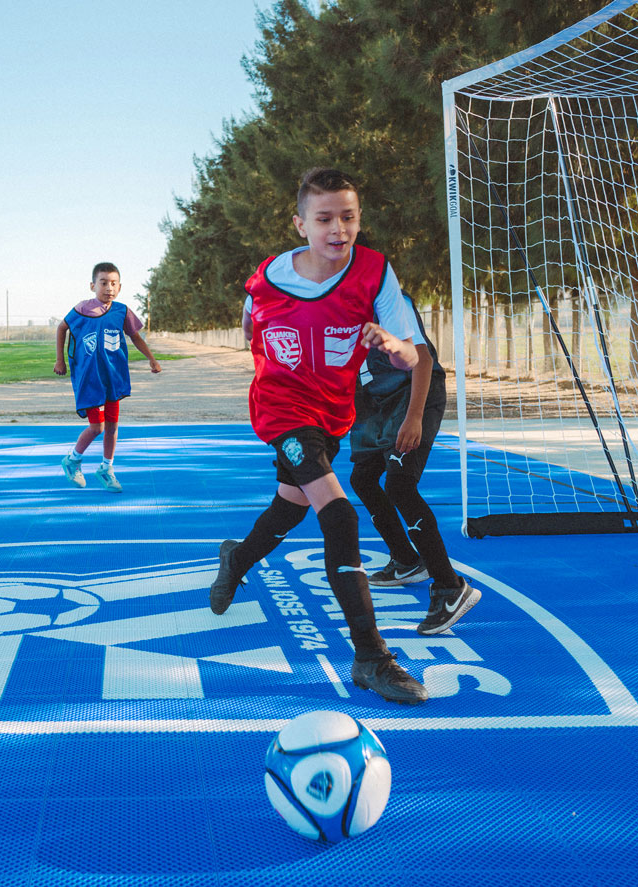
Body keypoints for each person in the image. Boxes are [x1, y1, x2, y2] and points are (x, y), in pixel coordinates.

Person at [210, 167, 430, 705]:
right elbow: (248, 324)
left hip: (332, 415)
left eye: (348, 217)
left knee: (289, 508)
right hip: (281, 410)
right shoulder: (267, 277)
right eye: (325, 218)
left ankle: (237, 559)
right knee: (339, 513)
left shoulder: (375, 273)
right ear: (301, 224)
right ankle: (371, 656)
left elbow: (411, 352)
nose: (339, 229)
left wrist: (389, 344)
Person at [348, 273, 480, 634]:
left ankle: (449, 587)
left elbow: (421, 361)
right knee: (362, 478)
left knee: (400, 485)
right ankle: (407, 561)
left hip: (412, 397)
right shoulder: (337, 310)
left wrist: (415, 418)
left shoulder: (392, 304)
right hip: (376, 403)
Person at [53, 262, 162, 492]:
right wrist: (60, 359)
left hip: (114, 378)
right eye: (103, 283)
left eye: (113, 283)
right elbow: (61, 328)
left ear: (119, 287)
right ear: (93, 285)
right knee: (97, 427)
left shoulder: (122, 311)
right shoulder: (82, 310)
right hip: (90, 379)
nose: (108, 288)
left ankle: (106, 468)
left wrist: (151, 358)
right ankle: (72, 460)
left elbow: (136, 336)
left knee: (112, 427)